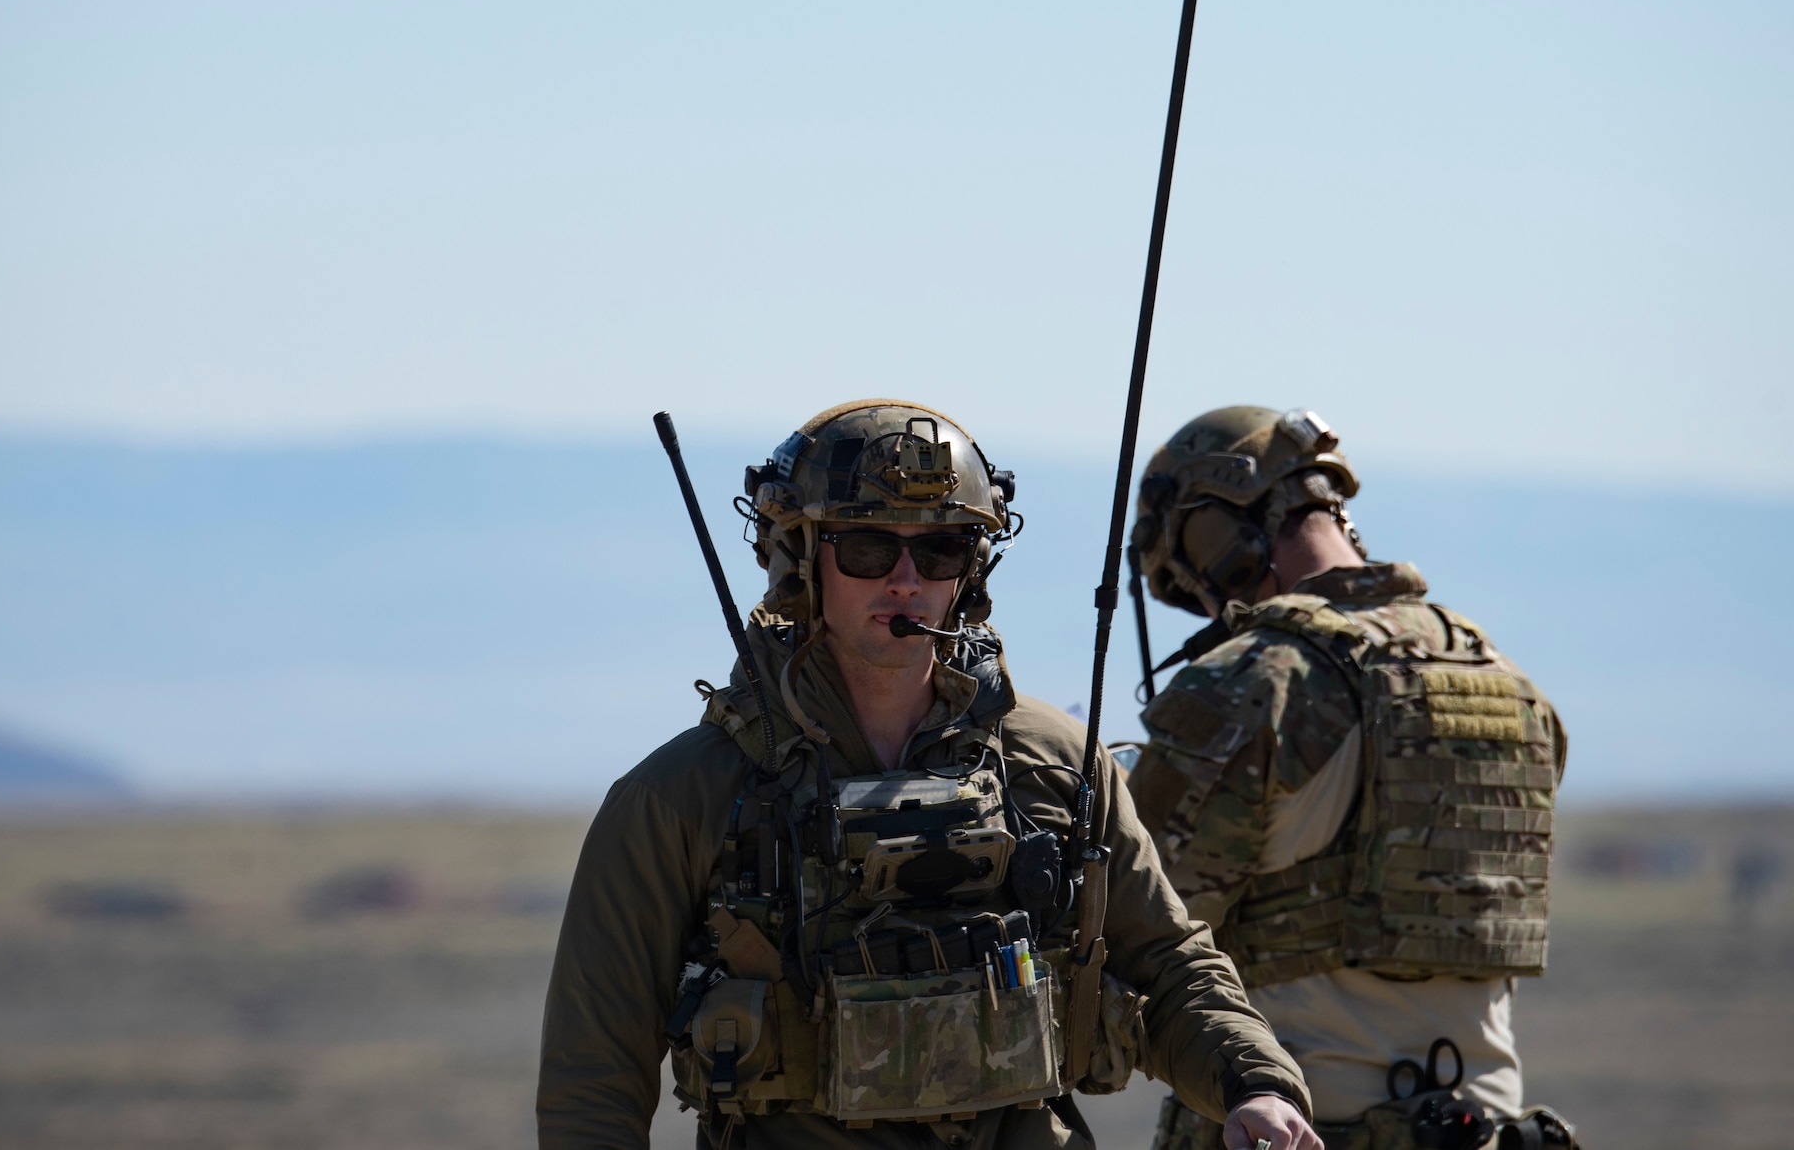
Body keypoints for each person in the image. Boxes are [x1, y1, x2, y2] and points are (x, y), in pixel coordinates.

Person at [539, 400, 1321, 1150]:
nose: (906, 578)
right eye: (870, 548)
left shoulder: (1051, 762)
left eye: (941, 548)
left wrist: (1258, 1084)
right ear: (802, 559)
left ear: (971, 568)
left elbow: (1170, 961)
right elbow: (595, 1074)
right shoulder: (684, 795)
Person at [1125, 407, 1575, 1150]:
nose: (1207, 609)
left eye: (1190, 581)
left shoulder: (1258, 682)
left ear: (1217, 542)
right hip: (1491, 1127)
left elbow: (1139, 925)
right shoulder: (1509, 682)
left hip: (1300, 1128)